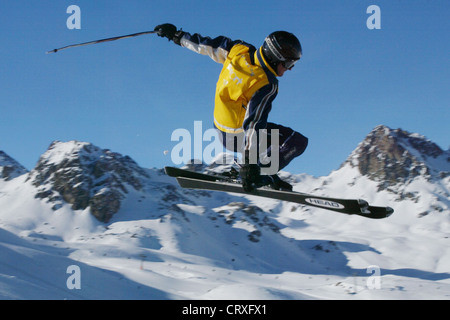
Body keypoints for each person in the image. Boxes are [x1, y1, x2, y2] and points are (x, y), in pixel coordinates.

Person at [155, 23, 308, 192]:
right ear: (275, 57)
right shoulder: (266, 83)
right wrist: (250, 166)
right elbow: (254, 123)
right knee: (296, 141)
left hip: (220, 128)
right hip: (238, 135)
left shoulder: (239, 50)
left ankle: (261, 170)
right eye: (288, 64)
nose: (290, 69)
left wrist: (177, 36)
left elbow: (206, 46)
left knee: (274, 139)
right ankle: (259, 172)